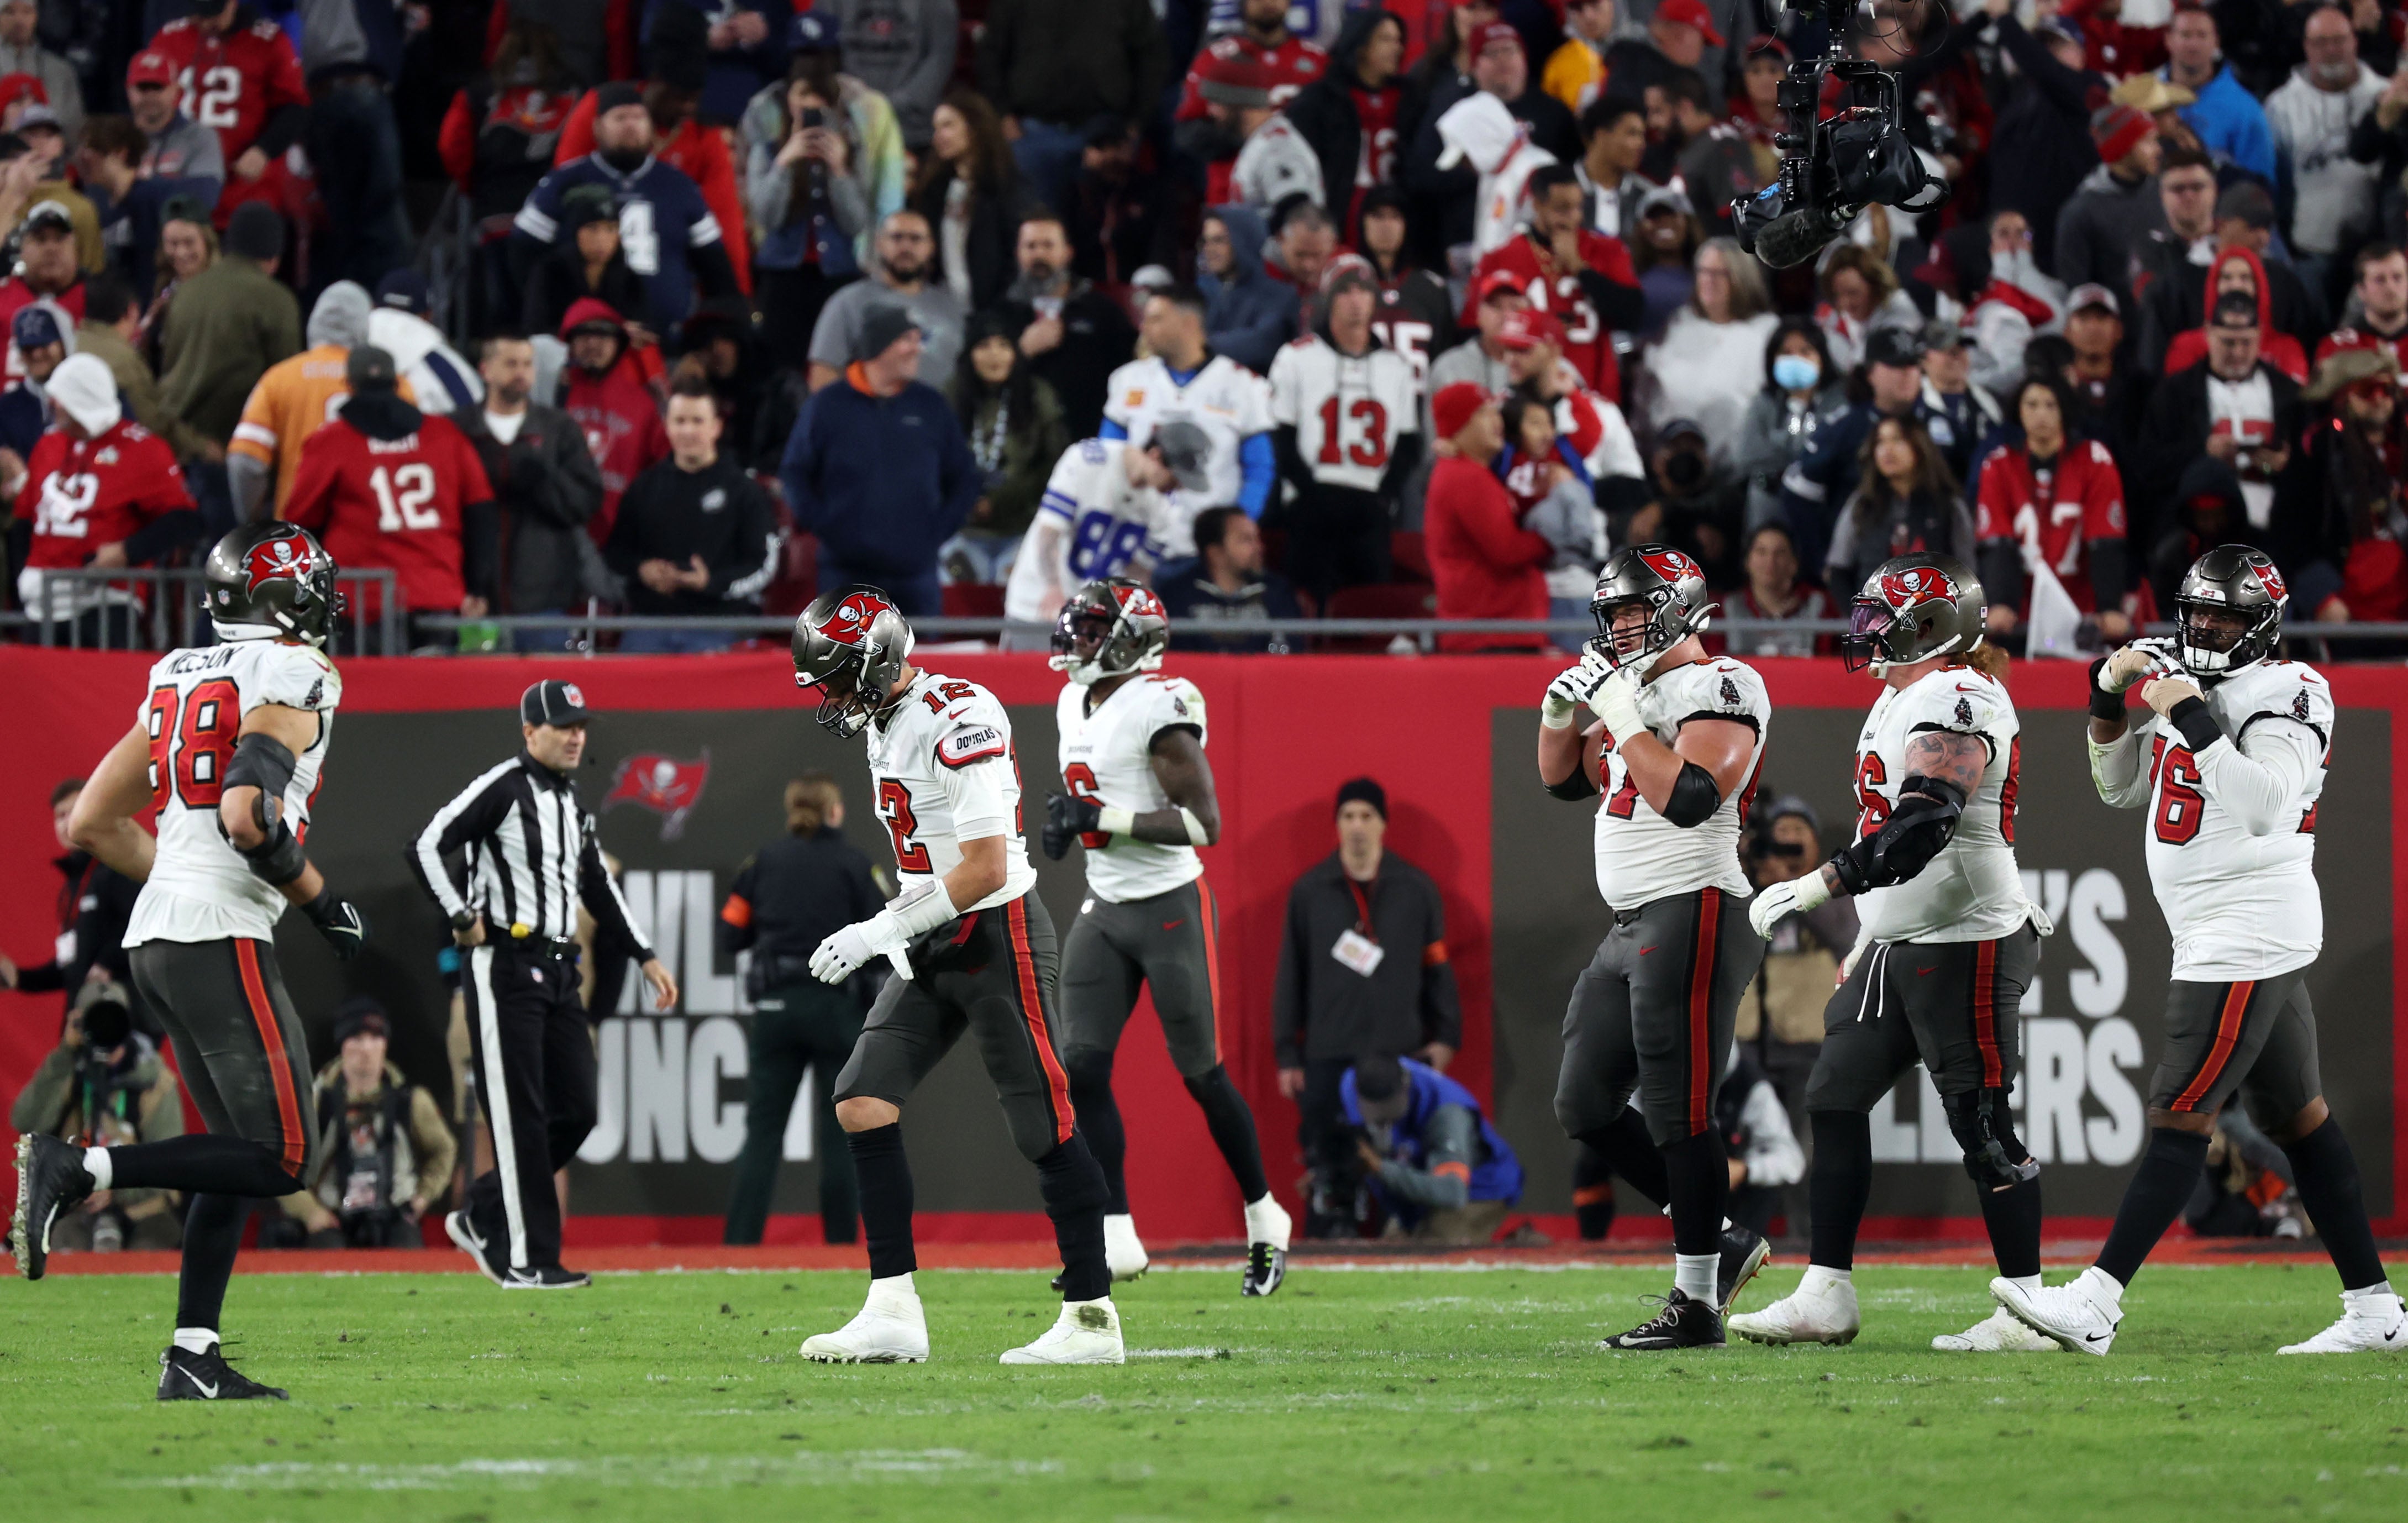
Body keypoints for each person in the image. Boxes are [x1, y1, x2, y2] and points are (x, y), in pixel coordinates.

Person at [1997, 549, 2405, 1355]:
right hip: (2223, 930)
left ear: (2262, 623)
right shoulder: (2196, 686)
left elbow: (2264, 807)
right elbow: (2117, 787)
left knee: (2180, 1115)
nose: (2204, 628)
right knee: (2299, 1120)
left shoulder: (2290, 691)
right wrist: (2105, 696)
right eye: (2196, 612)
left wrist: (2187, 712)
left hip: (2243, 931)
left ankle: (2098, 1302)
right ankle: (2376, 1310)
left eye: (2223, 616)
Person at [15, 521, 367, 1399]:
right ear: (282, 597)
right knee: (285, 1156)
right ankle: (83, 1167)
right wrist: (322, 901)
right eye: (312, 582)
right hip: (217, 930)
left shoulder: (179, 669)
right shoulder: (297, 670)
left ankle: (193, 1357)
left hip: (158, 936)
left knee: (234, 1151)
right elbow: (249, 814)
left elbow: (93, 821)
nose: (324, 597)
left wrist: (176, 875)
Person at [788, 585, 1124, 1364]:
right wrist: (902, 924)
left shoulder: (957, 717)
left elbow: (985, 867)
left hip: (992, 932)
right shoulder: (887, 720)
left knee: (1043, 1122)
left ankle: (1090, 1316)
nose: (832, 695)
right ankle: (892, 1308)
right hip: (931, 933)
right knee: (861, 1099)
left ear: (877, 662)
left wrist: (879, 928)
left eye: (838, 676)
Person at [1732, 553, 2053, 1354]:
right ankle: (1825, 1293)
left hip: (1968, 935)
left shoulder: (1959, 695)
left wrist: (1815, 891)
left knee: (1980, 1124)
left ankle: (2025, 1307)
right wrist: (1870, 930)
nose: (1868, 631)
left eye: (1887, 619)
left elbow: (1919, 827)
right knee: (1834, 1096)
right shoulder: (1903, 696)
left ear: (1935, 629)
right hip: (1899, 937)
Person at [1533, 545, 1774, 1347]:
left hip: (1694, 904)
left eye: (1633, 611)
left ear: (1677, 608)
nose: (1618, 629)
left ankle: (1696, 1302)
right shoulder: (1631, 688)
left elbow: (1690, 796)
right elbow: (1565, 784)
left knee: (1678, 1112)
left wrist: (1623, 713)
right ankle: (1723, 1239)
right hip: (1634, 921)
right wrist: (1558, 717)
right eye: (1612, 616)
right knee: (1583, 1101)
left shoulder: (1723, 683)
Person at [1039, 580, 1289, 1291]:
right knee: (1079, 1067)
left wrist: (1100, 818)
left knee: (1201, 1075)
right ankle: (1116, 1233)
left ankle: (1264, 1214)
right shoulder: (1071, 700)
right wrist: (1073, 825)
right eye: (1077, 628)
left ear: (1127, 639)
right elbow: (1093, 804)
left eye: (1091, 630)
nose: (1076, 641)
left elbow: (1205, 823)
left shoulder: (1159, 705)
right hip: (1106, 904)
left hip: (1168, 905)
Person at [411, 680, 675, 1289]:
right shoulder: (502, 787)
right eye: (563, 725)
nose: (576, 735)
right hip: (504, 962)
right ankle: (531, 1260)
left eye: (580, 725)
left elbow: (596, 885)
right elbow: (425, 845)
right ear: (529, 732)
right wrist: (459, 914)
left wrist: (645, 954)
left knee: (577, 1111)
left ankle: (483, 1209)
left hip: (560, 971)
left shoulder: (573, 802)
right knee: (523, 1114)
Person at [1273, 777, 1461, 1239]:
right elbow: (1290, 976)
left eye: (1367, 817)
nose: (1357, 827)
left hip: (1397, 1051)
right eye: (1348, 817)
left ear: (1383, 825)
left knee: (1391, 1155)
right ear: (1336, 825)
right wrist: (1286, 1055)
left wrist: (1447, 1036)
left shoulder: (1416, 890)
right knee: (1325, 1154)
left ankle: (1392, 1239)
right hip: (1327, 1050)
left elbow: (1439, 968)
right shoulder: (1310, 892)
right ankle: (1326, 1238)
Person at [719, 773, 885, 1248]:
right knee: (841, 1133)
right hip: (837, 1007)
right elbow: (888, 932)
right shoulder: (856, 865)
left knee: (762, 1133)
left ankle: (739, 1246)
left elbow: (730, 933)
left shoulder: (763, 863)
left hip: (776, 1005)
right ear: (835, 812)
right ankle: (840, 1248)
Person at [283, 348, 497, 650]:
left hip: (361, 600)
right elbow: (481, 514)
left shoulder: (332, 441)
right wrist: (478, 587)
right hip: (438, 594)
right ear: (397, 383)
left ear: (349, 385)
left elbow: (300, 522)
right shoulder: (445, 435)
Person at [780, 307, 980, 616]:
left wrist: (935, 532)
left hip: (916, 574)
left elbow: (965, 476)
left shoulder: (931, 406)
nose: (918, 349)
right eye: (907, 340)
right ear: (878, 346)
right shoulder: (827, 406)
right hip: (845, 574)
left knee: (919, 662)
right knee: (844, 663)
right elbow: (795, 473)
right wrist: (827, 527)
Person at [742, 14, 911, 366]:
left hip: (838, 272)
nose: (811, 112)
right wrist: (784, 164)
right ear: (790, 100)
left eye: (819, 103)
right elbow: (767, 216)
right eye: (803, 101)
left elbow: (855, 223)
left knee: (839, 365)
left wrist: (839, 172)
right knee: (780, 371)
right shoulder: (768, 138)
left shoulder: (855, 137)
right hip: (782, 275)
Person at [512, 82, 737, 337]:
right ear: (597, 127)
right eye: (620, 118)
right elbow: (523, 250)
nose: (631, 125)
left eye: (639, 117)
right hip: (585, 341)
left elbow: (716, 266)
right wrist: (550, 309)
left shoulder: (680, 185)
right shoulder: (566, 181)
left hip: (665, 341)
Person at [9, 352, 199, 645]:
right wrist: (25, 577)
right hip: (42, 603)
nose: (53, 403)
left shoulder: (142, 449)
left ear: (79, 401)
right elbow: (24, 522)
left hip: (105, 603)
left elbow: (184, 520)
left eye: (60, 397)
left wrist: (127, 551)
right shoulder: (49, 445)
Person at [1269, 265, 1421, 600]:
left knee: (1369, 609)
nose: (1356, 301)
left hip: (1370, 505)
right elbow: (1280, 435)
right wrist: (1308, 491)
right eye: (1346, 291)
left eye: (1364, 291)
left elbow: (1409, 443)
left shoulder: (1396, 367)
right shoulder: (1297, 357)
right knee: (1307, 608)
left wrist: (1384, 495)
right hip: (1311, 503)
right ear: (1328, 299)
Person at [605, 375, 782, 652]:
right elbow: (615, 553)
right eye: (680, 421)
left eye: (698, 421)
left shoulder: (745, 492)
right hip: (650, 623)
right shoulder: (644, 487)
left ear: (716, 427)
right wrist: (642, 570)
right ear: (667, 427)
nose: (688, 431)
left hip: (719, 624)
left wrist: (711, 583)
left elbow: (764, 566)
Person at [9, 979, 185, 1254]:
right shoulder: (69, 1073)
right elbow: (25, 1121)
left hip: (143, 1210)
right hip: (77, 1206)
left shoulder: (157, 1083)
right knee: (65, 1253)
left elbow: (171, 1165)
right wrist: (65, 1053)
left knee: (146, 1258)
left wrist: (115, 1188)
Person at [266, 1000, 456, 1249]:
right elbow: (283, 1162)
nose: (366, 1049)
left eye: (375, 1038)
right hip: (331, 1218)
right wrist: (310, 1212)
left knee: (408, 1263)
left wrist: (422, 1198)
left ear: (386, 1044)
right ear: (342, 1045)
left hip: (394, 1216)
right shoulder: (315, 1103)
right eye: (356, 1038)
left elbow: (443, 1150)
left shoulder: (411, 1102)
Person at [156, 202, 297, 526]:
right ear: (274, 258)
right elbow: (285, 390)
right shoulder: (275, 299)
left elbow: (169, 369)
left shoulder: (186, 292)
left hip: (178, 449)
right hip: (233, 458)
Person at [458, 332, 601, 651]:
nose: (521, 372)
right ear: (486, 370)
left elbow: (585, 503)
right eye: (511, 364)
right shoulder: (459, 429)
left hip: (544, 599)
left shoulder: (559, 429)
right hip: (476, 601)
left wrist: (543, 482)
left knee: (543, 696)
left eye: (527, 364)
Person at [1101, 283, 1276, 544]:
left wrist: (1237, 527)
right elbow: (1107, 457)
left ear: (1189, 324)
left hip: (1208, 544)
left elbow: (1260, 469)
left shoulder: (1243, 385)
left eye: (1156, 320)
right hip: (1137, 537)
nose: (1144, 328)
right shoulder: (1128, 380)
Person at [1461, 161, 1643, 404]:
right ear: (1537, 205)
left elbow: (1632, 316)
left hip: (1594, 395)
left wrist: (1580, 268)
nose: (1574, 218)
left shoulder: (1606, 251)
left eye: (1578, 207)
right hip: (1525, 401)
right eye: (1562, 209)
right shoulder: (1500, 259)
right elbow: (1473, 332)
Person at [1975, 375, 2131, 650]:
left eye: (2050, 405)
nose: (2041, 415)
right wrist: (2002, 603)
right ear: (2019, 411)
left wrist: (2109, 606)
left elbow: (2105, 538)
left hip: (2083, 609)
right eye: (2032, 405)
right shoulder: (1999, 465)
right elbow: (1997, 541)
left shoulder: (2094, 460)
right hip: (2021, 613)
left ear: (2064, 410)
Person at [1003, 424, 1208, 632]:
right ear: (1156, 456)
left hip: (1093, 619)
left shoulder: (1168, 506)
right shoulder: (1088, 460)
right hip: (1039, 603)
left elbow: (1139, 570)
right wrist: (1053, 588)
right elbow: (1049, 533)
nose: (1179, 487)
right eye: (1176, 478)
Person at [2135, 293, 2301, 546]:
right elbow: (2148, 466)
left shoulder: (2288, 394)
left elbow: (2313, 470)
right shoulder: (2174, 393)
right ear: (2208, 333)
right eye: (2228, 342)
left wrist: (2284, 467)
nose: (2237, 352)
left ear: (2260, 335)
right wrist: (2202, 453)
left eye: (2246, 343)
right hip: (2198, 534)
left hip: (2274, 532)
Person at [976, 0, 1168, 218]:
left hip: (1105, 136)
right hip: (1032, 135)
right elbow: (990, 54)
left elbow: (1152, 57)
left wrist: (1135, 123)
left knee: (1103, 235)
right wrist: (1003, 116)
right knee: (1035, 230)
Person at [224, 281, 395, 522]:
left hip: (299, 535)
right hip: (369, 533)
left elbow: (245, 462)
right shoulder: (392, 383)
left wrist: (252, 523)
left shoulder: (279, 379)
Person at [1734, 795, 1857, 1118]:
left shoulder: (1837, 897)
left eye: (1798, 829)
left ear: (1816, 845)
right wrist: (1751, 881)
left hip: (1809, 1054)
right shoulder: (1746, 895)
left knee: (1802, 1157)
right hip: (1745, 1049)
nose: (1787, 837)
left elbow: (1847, 938)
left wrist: (1795, 888)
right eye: (1780, 830)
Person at [1779, 325, 1936, 572]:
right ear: (1870, 373)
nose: (1907, 374)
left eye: (1913, 365)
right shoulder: (1844, 428)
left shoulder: (1938, 423)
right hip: (1858, 564)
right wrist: (1822, 563)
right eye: (1896, 366)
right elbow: (1798, 496)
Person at [142, 2, 310, 229]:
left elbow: (295, 107)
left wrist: (264, 150)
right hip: (178, 194)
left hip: (244, 195)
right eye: (198, 15)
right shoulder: (169, 38)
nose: (206, 23)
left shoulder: (270, 41)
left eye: (213, 14)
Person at [942, 308, 1068, 583]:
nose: (994, 355)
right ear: (970, 354)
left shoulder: (1038, 396)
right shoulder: (949, 396)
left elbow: (1055, 467)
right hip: (961, 533)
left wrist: (1002, 501)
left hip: (1022, 531)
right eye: (984, 346)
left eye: (1003, 345)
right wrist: (966, 500)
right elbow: (933, 464)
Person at [1422, 382, 1551, 650]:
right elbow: (1508, 551)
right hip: (1491, 632)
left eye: (1495, 411)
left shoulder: (1466, 473)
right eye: (1482, 413)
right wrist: (1549, 541)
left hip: (1490, 629)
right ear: (1459, 427)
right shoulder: (1467, 477)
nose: (1496, 420)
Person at [1343, 1052, 1523, 1243]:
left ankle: (1519, 1244)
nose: (1380, 1116)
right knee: (1389, 1250)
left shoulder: (1447, 1113)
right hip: (1420, 1179)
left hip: (1478, 1187)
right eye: (1374, 1109)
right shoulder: (1351, 1084)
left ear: (1405, 1088)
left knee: (1432, 1252)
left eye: (1386, 1109)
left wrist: (1381, 1168)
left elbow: (1452, 1193)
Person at [992, 214, 1138, 440]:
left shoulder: (1102, 311)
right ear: (1018, 254)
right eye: (1030, 246)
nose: (1039, 254)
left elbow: (1130, 373)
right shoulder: (998, 315)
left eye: (1048, 245)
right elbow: (974, 383)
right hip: (1020, 446)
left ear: (1068, 253)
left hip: (1089, 442)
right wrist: (1022, 351)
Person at [1171, 0, 1329, 204]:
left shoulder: (1318, 63)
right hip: (1230, 201)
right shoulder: (1215, 60)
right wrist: (1254, 136)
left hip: (1301, 198)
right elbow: (1187, 132)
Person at [2265, 7, 2385, 275]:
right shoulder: (2281, 106)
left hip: (2380, 255)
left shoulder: (2386, 97)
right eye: (2320, 42)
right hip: (2308, 254)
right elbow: (2273, 184)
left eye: (2340, 40)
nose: (2331, 50)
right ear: (2307, 47)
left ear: (2355, 40)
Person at [1643, 237, 1778, 458]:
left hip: (1738, 457)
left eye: (1719, 274)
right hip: (1674, 456)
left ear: (1741, 278)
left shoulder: (1766, 332)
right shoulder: (1680, 325)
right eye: (1703, 272)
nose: (1709, 281)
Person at [808, 209, 964, 395]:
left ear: (931, 247)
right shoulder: (848, 303)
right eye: (897, 238)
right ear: (880, 244)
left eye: (916, 239)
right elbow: (824, 373)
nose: (906, 247)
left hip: (939, 418)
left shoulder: (951, 307)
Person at [1823, 416, 1974, 604]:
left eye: (1897, 440)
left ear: (1919, 446)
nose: (1888, 450)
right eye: (1880, 442)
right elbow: (1838, 569)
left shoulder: (1948, 505)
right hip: (1874, 622)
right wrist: (1860, 616)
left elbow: (1967, 573)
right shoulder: (1861, 505)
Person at [1281, 8, 1405, 237]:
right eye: (1385, 39)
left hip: (1395, 216)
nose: (1396, 48)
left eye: (1398, 40)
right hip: (1340, 214)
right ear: (1361, 44)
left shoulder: (1408, 98)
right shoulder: (1321, 99)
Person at [910, 88, 1031, 313]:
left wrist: (1000, 313)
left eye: (948, 125)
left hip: (992, 314)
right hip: (943, 313)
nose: (938, 136)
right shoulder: (933, 190)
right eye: (936, 128)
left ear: (976, 128)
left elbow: (1016, 259)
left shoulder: (1007, 187)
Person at [557, 299, 667, 537]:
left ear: (619, 344)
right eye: (584, 336)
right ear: (571, 344)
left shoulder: (643, 402)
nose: (593, 344)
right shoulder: (557, 393)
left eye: (603, 337)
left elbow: (665, 467)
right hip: (564, 533)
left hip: (622, 537)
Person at [1733, 319, 1844, 531]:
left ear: (1822, 357)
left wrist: (1781, 454)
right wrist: (1799, 463)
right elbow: (1747, 458)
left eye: (1806, 351)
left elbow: (1836, 456)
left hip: (1823, 508)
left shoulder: (1840, 402)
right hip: (1769, 508)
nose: (1796, 360)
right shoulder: (1764, 402)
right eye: (1786, 353)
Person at [2053, 104, 2163, 308]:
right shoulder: (2081, 212)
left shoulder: (2166, 193)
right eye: (2147, 142)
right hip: (2119, 334)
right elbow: (2076, 292)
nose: (2158, 150)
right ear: (2122, 147)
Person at [1158, 505, 1304, 650]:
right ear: (1215, 553)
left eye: (1257, 539)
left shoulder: (1277, 592)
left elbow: (1289, 649)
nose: (1259, 548)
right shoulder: (1178, 595)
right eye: (1246, 540)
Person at [814, 0, 956, 150]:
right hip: (845, 129)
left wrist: (887, 107)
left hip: (913, 134)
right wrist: (855, 104)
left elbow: (940, 57)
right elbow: (819, 54)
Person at [2158, 7, 2277, 185]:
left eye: (2202, 35)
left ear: (2216, 42)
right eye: (2185, 35)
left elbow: (2259, 187)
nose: (2193, 44)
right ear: (2168, 40)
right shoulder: (2143, 101)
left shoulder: (2245, 110)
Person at [1357, 187, 1455, 396]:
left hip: (1418, 413)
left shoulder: (1431, 290)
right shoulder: (1346, 286)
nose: (1386, 226)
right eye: (1378, 216)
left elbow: (1444, 362)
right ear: (1363, 223)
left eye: (1395, 217)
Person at [368, 271, 483, 421]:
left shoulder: (339, 348)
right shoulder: (443, 364)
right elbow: (474, 421)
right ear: (429, 315)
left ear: (372, 307)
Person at [1196, 203, 1296, 375]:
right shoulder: (1202, 292)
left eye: (1219, 240)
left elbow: (1262, 343)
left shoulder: (1280, 296)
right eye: (1206, 241)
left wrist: (1194, 345)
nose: (1209, 249)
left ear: (1245, 240)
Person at [1717, 521, 1832, 658]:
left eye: (1780, 553)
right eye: (1761, 552)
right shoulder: (1726, 608)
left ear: (1794, 564)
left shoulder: (1820, 605)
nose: (1770, 561)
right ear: (1747, 562)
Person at [2316, 241, 2408, 372]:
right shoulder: (2337, 349)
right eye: (2380, 280)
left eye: (2398, 278)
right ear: (2361, 291)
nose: (2391, 288)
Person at [1575, 95, 1657, 240]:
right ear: (1601, 136)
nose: (1641, 144)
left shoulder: (1649, 197)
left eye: (1642, 136)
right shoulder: (1557, 190)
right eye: (1632, 134)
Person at [0, 0, 78, 140]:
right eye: (9, 12)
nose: (19, 20)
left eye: (27, 12)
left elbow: (74, 130)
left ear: (36, 16)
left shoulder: (60, 71)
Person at [1544, 0, 1616, 114]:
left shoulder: (1639, 49)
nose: (1588, 16)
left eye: (1595, 4)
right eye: (1576, 7)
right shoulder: (1558, 64)